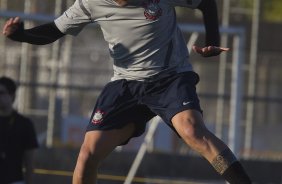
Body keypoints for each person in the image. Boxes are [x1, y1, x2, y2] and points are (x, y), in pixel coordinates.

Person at [2, 0, 252, 183]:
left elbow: (206, 3)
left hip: (170, 77)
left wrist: (212, 40)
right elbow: (54, 31)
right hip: (125, 85)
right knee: (88, 154)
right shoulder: (90, 3)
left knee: (192, 130)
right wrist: (21, 35)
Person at [0, 76, 39, 184]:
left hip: (15, 180)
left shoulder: (24, 124)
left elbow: (29, 163)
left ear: (12, 95)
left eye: (2, 93)